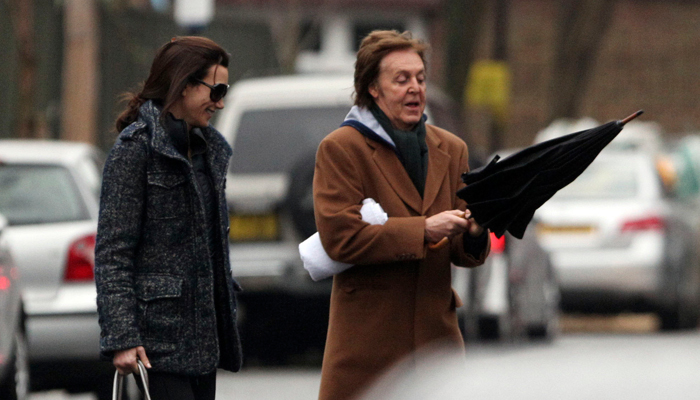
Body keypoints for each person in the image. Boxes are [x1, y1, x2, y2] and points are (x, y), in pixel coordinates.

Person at [313, 30, 490, 400]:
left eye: (421, 78)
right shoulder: (342, 148)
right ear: (373, 88)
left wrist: (475, 230)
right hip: (367, 348)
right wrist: (423, 229)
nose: (415, 88)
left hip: (435, 346)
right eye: (402, 79)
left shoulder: (451, 148)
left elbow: (462, 253)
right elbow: (340, 238)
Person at [94, 36, 242, 400]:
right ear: (184, 84)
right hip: (153, 346)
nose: (220, 102)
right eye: (216, 89)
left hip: (204, 344)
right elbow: (113, 252)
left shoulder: (211, 151)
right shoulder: (135, 149)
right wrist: (123, 339)